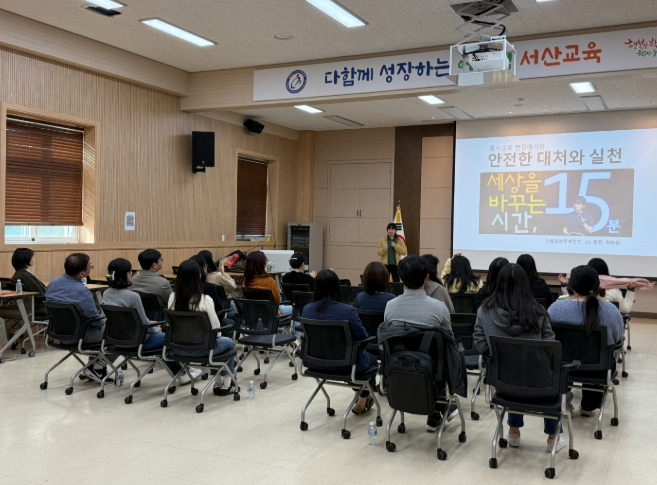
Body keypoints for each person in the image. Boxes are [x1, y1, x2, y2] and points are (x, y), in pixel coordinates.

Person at [473, 263, 562, 452]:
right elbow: (550, 347)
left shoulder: (484, 310)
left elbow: (479, 343)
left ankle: (514, 432)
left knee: (512, 371)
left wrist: (496, 355)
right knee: (551, 379)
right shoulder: (538, 311)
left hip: (503, 384)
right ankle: (552, 438)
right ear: (525, 285)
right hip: (541, 386)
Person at [383, 255, 454, 431]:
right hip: (433, 372)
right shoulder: (439, 308)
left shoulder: (390, 306)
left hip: (399, 369)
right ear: (427, 277)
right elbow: (449, 340)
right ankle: (439, 408)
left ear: (401, 278)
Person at [101, 258, 197, 384]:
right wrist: (156, 328)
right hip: (138, 341)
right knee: (172, 338)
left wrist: (148, 324)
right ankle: (183, 373)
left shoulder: (106, 293)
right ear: (127, 274)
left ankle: (183, 372)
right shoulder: (133, 297)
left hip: (115, 340)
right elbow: (145, 324)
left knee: (163, 338)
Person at [548, 265, 624, 416]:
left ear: (571, 285)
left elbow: (547, 336)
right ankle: (588, 407)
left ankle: (564, 400)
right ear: (598, 285)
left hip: (563, 367)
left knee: (566, 353)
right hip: (598, 370)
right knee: (599, 354)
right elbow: (617, 340)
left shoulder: (555, 308)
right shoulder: (611, 310)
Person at [302, 269, 376, 414]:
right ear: (337, 287)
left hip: (314, 363)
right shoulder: (347, 311)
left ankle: (361, 397)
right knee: (370, 360)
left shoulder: (307, 310)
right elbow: (362, 338)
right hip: (344, 366)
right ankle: (362, 401)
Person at [168, 260, 237, 396]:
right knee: (228, 343)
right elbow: (216, 329)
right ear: (198, 276)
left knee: (218, 344)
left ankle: (220, 383)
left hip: (178, 349)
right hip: (203, 349)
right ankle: (224, 384)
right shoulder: (205, 300)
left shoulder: (172, 298)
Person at [45, 253, 117, 382]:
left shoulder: (53, 283)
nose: (91, 268)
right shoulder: (82, 291)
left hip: (57, 334)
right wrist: (108, 323)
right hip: (79, 336)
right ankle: (97, 368)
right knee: (121, 332)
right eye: (90, 266)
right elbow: (94, 319)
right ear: (82, 274)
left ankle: (92, 367)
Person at [242, 251, 292, 318]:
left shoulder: (245, 280)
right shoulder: (269, 280)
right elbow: (277, 300)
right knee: (295, 309)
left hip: (251, 315)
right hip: (270, 315)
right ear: (263, 264)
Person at [9, 247, 47, 316]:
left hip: (29, 307)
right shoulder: (25, 275)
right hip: (38, 308)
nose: (33, 259)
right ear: (25, 259)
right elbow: (40, 293)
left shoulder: (20, 274)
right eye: (32, 257)